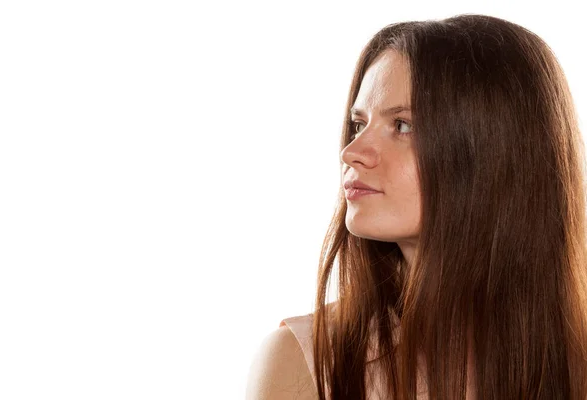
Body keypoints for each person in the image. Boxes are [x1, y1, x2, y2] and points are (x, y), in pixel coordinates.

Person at [246, 13, 587, 400]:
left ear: (495, 154)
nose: (352, 152)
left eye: (403, 126)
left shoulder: (576, 363)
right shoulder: (304, 366)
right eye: (359, 124)